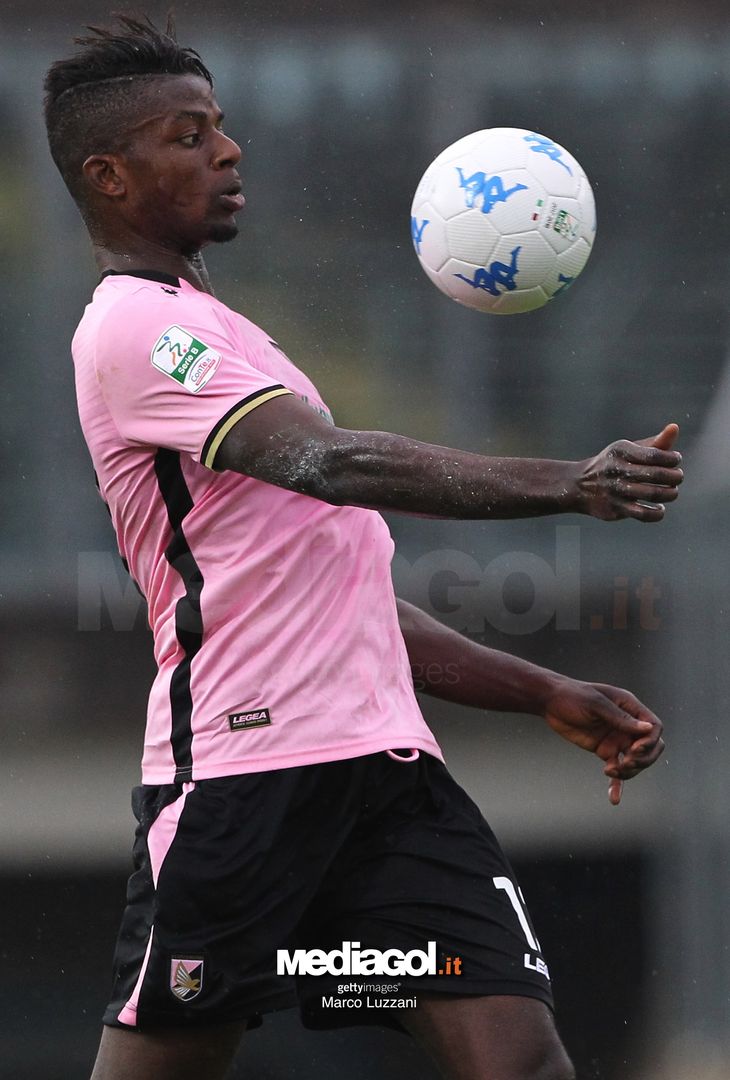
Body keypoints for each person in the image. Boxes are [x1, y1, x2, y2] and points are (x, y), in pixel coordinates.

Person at [44, 15, 682, 1080]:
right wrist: (570, 484)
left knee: (519, 1059)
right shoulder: (136, 330)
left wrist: (541, 691)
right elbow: (328, 464)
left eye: (220, 127)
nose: (227, 151)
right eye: (189, 136)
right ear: (108, 176)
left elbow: (345, 601)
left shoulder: (226, 329)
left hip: (386, 785)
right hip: (247, 781)